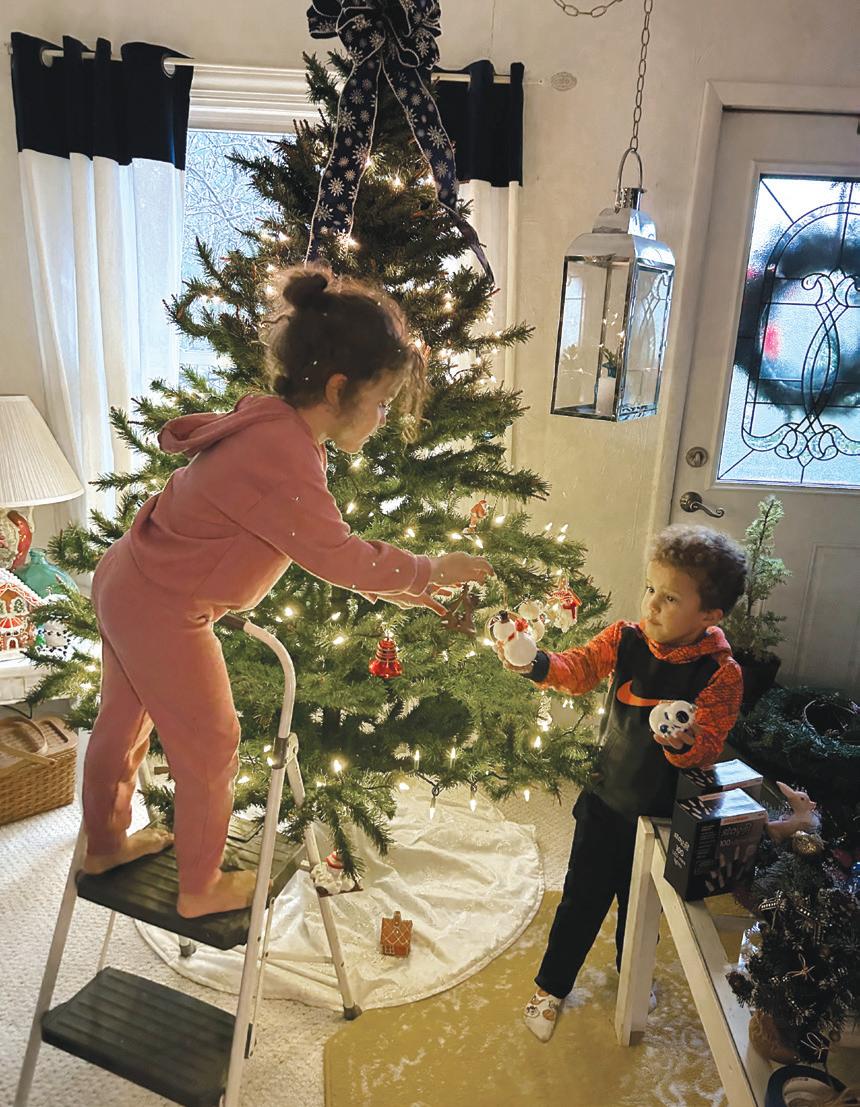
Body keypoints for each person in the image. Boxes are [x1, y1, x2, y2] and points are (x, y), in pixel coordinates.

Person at [82, 265, 493, 919]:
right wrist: (426, 569)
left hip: (129, 577)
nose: (384, 417)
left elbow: (306, 542)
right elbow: (336, 553)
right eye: (381, 401)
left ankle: (104, 846)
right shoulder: (283, 452)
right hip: (162, 604)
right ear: (337, 388)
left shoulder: (273, 425)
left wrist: (401, 589)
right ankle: (199, 887)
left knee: (123, 723)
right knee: (211, 742)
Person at [496, 524, 746, 1041]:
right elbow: (577, 669)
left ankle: (631, 974)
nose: (651, 604)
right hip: (606, 799)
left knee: (642, 910)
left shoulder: (722, 673)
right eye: (651, 588)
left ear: (710, 615)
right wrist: (535, 661)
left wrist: (684, 742)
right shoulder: (626, 638)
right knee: (580, 899)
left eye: (670, 597)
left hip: (664, 818)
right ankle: (551, 985)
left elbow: (708, 745)